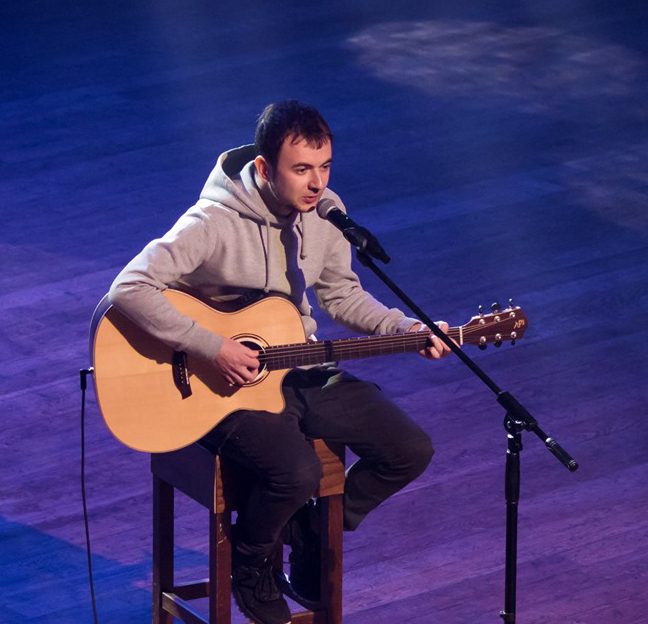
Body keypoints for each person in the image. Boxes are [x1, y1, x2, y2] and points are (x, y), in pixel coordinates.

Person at [108, 100, 451, 624]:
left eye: (325, 166)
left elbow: (342, 295)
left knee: (409, 448)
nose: (317, 183)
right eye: (302, 169)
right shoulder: (213, 221)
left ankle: (307, 533)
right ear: (265, 169)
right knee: (297, 472)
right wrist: (210, 345)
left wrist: (404, 328)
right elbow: (129, 287)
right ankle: (250, 561)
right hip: (219, 383)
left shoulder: (326, 213)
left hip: (298, 366)